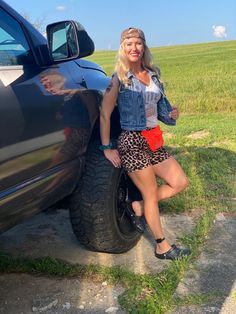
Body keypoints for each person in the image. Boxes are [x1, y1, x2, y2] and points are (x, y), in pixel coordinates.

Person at [100, 27, 191, 260]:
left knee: (180, 182)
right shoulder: (118, 78)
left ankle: (138, 207)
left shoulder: (153, 75)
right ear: (123, 48)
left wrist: (172, 114)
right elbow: (105, 112)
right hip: (131, 141)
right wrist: (106, 147)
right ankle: (162, 246)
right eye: (129, 44)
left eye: (138, 43)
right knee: (150, 193)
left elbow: (160, 110)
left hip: (152, 139)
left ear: (144, 47)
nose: (134, 48)